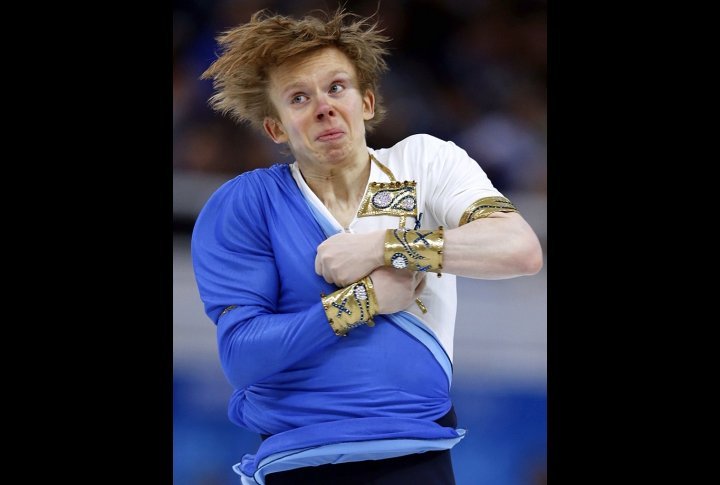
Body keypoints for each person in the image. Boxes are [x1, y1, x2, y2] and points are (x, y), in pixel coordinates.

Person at [191, 7, 543, 485]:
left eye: (337, 87)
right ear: (275, 128)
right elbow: (243, 356)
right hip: (298, 461)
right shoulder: (246, 204)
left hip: (416, 452)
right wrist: (365, 301)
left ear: (368, 102)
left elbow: (518, 249)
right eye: (299, 97)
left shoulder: (424, 162)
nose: (323, 106)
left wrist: (386, 246)